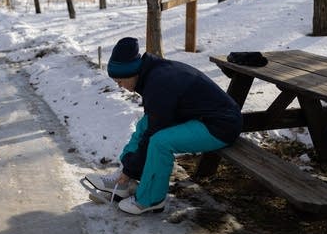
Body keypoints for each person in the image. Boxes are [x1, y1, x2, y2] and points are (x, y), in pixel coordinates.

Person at [86, 37, 243, 215]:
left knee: (160, 142)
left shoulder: (159, 84)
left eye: (120, 81)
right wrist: (129, 168)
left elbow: (155, 132)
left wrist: (132, 169)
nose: (120, 86)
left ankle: (150, 199)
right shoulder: (153, 73)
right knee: (145, 123)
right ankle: (124, 182)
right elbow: (152, 124)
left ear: (132, 73)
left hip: (221, 126)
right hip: (200, 117)